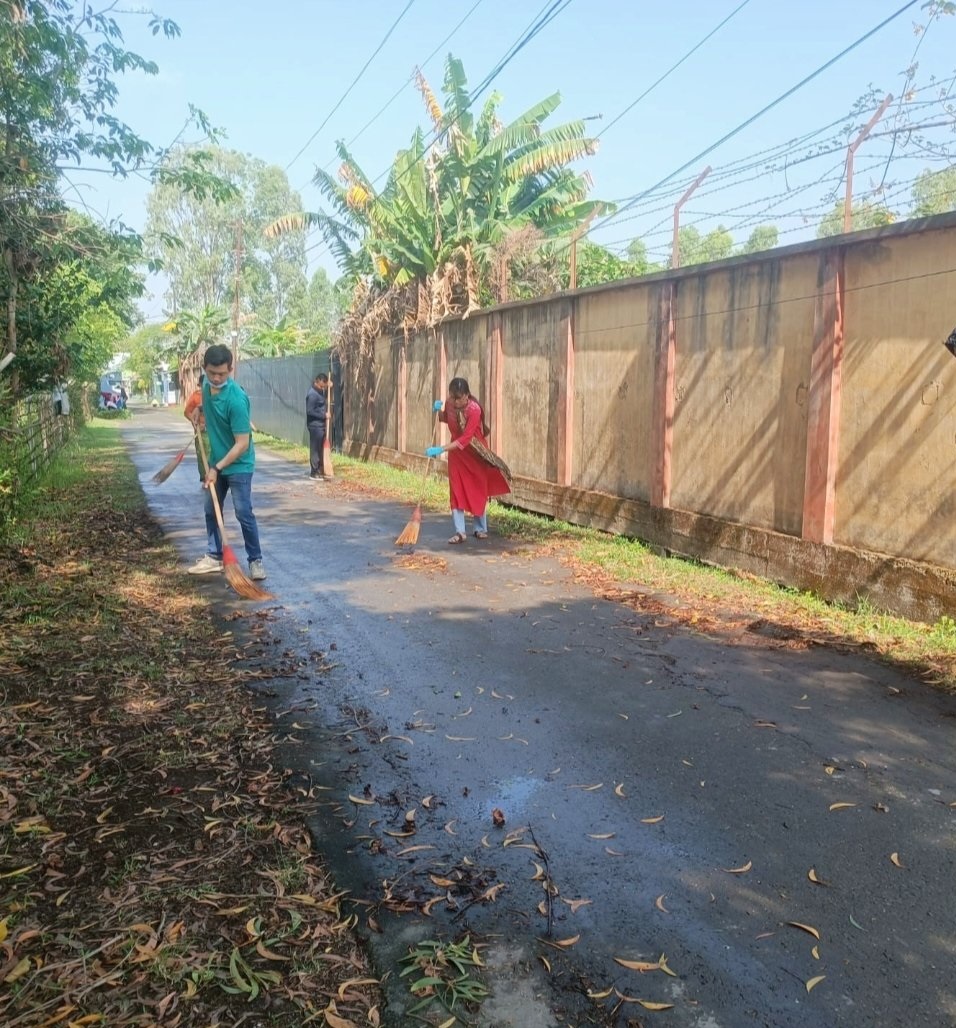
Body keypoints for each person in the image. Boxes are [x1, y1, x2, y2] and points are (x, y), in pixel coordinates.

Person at [186, 343, 266, 581]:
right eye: (212, 373)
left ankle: (256, 560)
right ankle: (214, 556)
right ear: (205, 369)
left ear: (231, 369)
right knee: (211, 508)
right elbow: (208, 404)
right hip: (216, 460)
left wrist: (216, 468)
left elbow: (242, 443)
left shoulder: (236, 399)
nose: (217, 378)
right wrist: (199, 409)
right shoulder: (205, 386)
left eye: (223, 373)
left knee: (243, 512)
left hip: (238, 464)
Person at [427, 377, 511, 544]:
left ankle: (480, 528)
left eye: (459, 398)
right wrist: (437, 411)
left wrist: (441, 449)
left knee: (477, 488)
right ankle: (460, 531)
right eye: (453, 397)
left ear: (467, 395)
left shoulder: (474, 410)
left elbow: (465, 439)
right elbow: (445, 418)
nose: (455, 401)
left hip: (475, 452)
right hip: (457, 456)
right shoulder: (450, 403)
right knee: (456, 489)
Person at [183, 373, 208, 483]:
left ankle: (213, 476)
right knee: (202, 454)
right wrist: (195, 423)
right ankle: (204, 477)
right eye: (204, 385)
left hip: (213, 431)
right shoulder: (196, 396)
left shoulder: (215, 395)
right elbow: (187, 412)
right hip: (200, 431)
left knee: (213, 454)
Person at [305, 373, 329, 480]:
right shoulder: (312, 394)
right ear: (317, 381)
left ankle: (319, 469)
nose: (322, 388)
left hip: (321, 425)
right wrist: (324, 415)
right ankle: (314, 472)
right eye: (321, 386)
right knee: (315, 449)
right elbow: (310, 411)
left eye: (324, 386)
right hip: (315, 426)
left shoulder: (320, 391)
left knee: (319, 449)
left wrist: (329, 387)